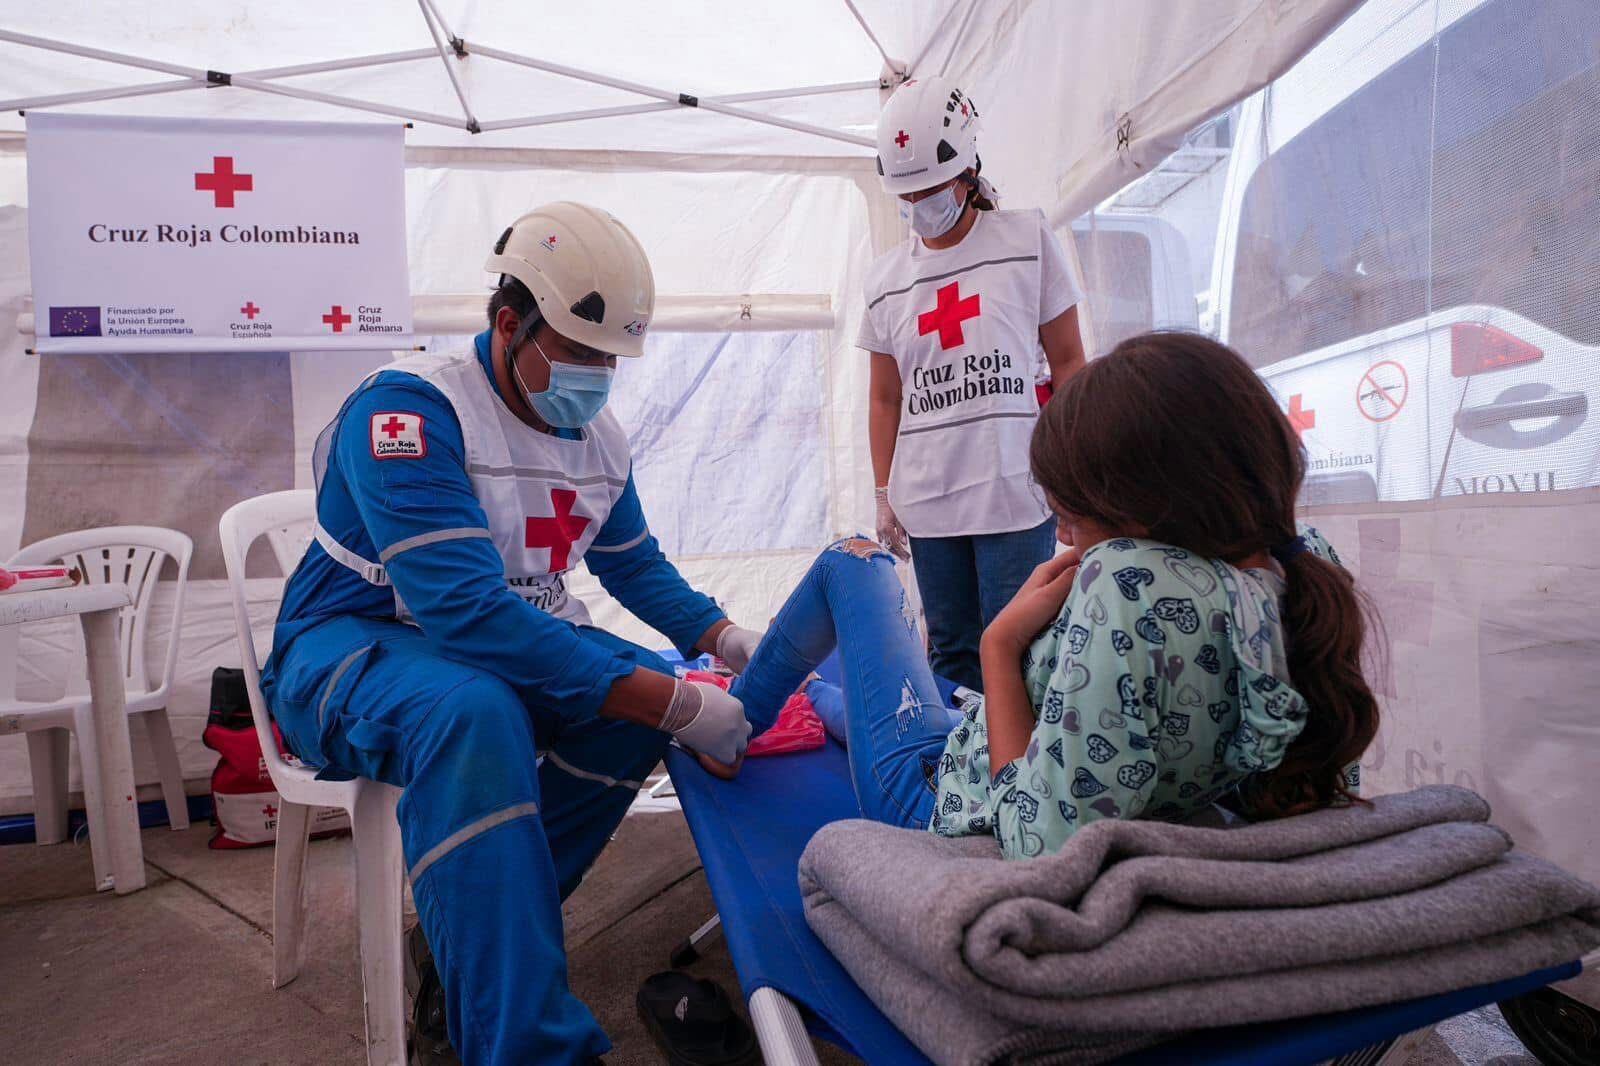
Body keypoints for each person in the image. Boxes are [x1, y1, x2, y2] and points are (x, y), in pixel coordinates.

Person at [261, 202, 764, 1066]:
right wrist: (676, 705)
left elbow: (632, 566)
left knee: (626, 696)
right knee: (479, 712)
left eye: (612, 358)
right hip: (348, 640)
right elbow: (465, 613)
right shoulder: (409, 414)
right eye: (578, 352)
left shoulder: (597, 438)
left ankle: (473, 948)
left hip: (480, 647)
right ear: (507, 324)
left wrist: (724, 641)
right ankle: (527, 1045)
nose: (599, 374)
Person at [724, 332, 1380, 858]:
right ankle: (806, 689)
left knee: (855, 562)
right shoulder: (1303, 563)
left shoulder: (1128, 582)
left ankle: (728, 729)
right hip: (1006, 743)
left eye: (1072, 515)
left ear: (1148, 511)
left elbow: (1039, 841)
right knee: (910, 711)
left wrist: (1001, 647)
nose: (1061, 533)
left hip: (938, 800)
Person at [861, 75, 1089, 693]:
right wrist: (884, 492)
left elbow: (1068, 363)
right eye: (906, 194)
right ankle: (960, 783)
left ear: (967, 171)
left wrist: (1079, 477)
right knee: (953, 658)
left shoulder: (1026, 241)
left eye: (931, 188)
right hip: (930, 500)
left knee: (1020, 651)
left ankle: (1020, 783)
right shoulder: (884, 281)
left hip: (1014, 489)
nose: (919, 206)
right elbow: (886, 397)